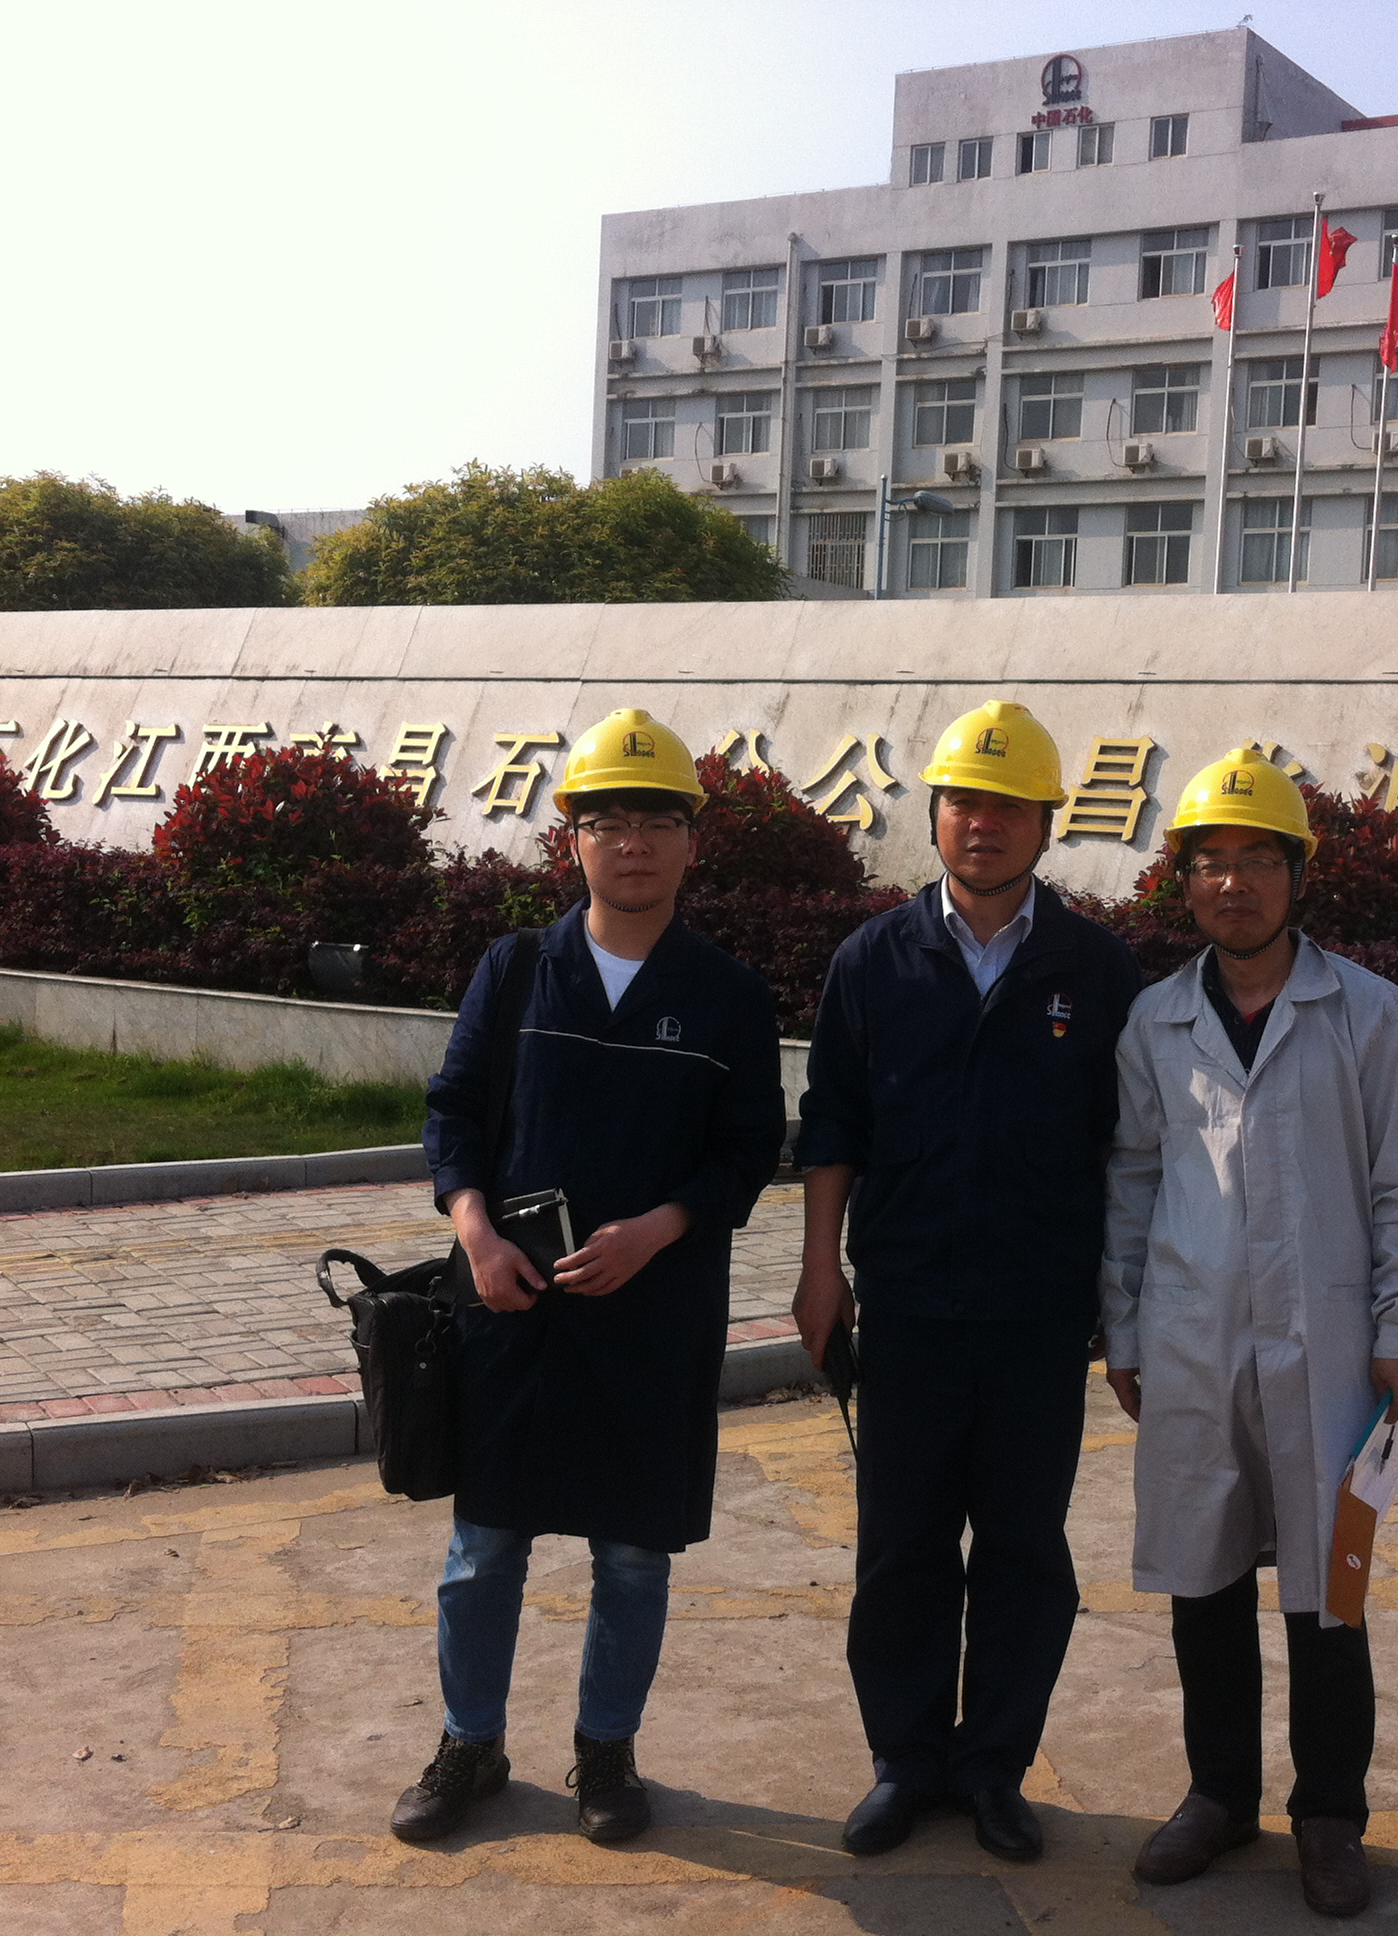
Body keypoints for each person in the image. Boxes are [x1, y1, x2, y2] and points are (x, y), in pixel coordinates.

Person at [391, 708, 785, 1846]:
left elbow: (748, 1150)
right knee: (483, 1551)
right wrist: (474, 1232)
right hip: (510, 1308)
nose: (633, 843)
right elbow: (452, 1114)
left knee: (633, 1555)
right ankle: (471, 1741)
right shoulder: (518, 970)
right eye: (608, 821)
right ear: (574, 840)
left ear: (692, 843)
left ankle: (605, 1753)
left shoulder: (727, 994)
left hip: (653, 1317)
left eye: (656, 820)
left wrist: (657, 1231)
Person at [1098, 747, 1398, 1919]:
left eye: (1257, 859)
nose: (1232, 883)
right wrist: (1124, 1327)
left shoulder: (1368, 1013)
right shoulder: (1156, 1020)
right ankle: (1219, 1794)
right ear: (1183, 882)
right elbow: (1133, 1178)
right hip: (1192, 1339)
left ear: (1299, 876)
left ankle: (1330, 1813)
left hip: (1331, 1344)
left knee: (1326, 1587)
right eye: (1210, 862)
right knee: (1202, 1574)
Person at [793, 699, 1143, 1863]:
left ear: (1046, 822)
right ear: (935, 815)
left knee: (1024, 1549)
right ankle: (904, 1760)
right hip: (907, 1304)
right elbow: (833, 1122)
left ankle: (993, 1764)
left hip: (1040, 1313)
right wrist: (821, 1270)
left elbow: (1126, 1146)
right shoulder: (874, 959)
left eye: (1006, 806)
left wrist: (1123, 1302)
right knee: (900, 1544)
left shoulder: (1096, 968)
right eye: (962, 803)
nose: (981, 824)